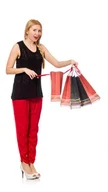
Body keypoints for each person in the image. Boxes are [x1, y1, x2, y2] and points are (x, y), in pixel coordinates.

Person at [5, 19, 78, 180]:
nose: (37, 33)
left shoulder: (41, 48)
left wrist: (70, 61)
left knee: (33, 130)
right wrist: (24, 69)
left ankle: (31, 162)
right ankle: (24, 162)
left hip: (37, 94)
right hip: (20, 94)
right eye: (34, 30)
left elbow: (57, 63)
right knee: (22, 130)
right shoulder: (18, 46)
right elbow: (8, 69)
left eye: (39, 31)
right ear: (27, 31)